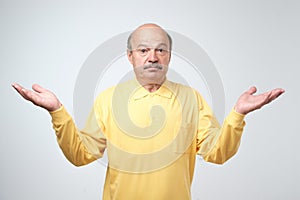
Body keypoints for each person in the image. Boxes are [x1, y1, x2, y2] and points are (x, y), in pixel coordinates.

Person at [12, 23, 285, 200]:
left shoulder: (191, 98)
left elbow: (217, 153)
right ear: (130, 56)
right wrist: (57, 112)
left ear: (169, 57)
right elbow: (81, 154)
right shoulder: (109, 100)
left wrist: (237, 115)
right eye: (143, 50)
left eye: (160, 50)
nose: (152, 57)